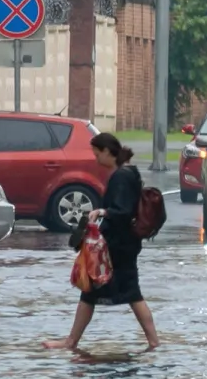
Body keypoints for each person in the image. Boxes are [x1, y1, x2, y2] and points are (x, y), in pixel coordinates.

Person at [45, 133, 160, 351]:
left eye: (97, 154)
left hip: (118, 245)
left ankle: (72, 342)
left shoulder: (121, 176)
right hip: (124, 244)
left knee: (126, 293)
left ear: (108, 152)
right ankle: (153, 342)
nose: (96, 159)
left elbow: (123, 211)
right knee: (97, 292)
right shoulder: (129, 172)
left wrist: (101, 211)